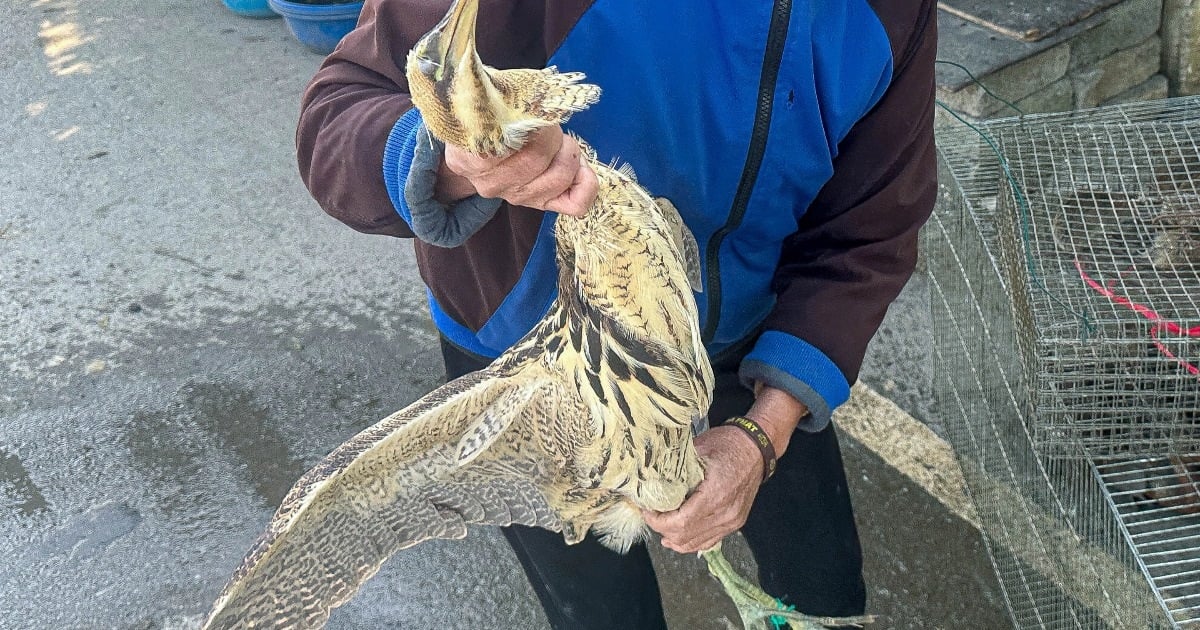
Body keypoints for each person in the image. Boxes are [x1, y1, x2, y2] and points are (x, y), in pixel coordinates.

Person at [296, 0, 937, 627]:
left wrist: (764, 435)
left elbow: (869, 233)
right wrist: (453, 160)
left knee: (823, 595)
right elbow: (337, 119)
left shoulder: (892, 12)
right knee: (599, 612)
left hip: (755, 342)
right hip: (531, 364)